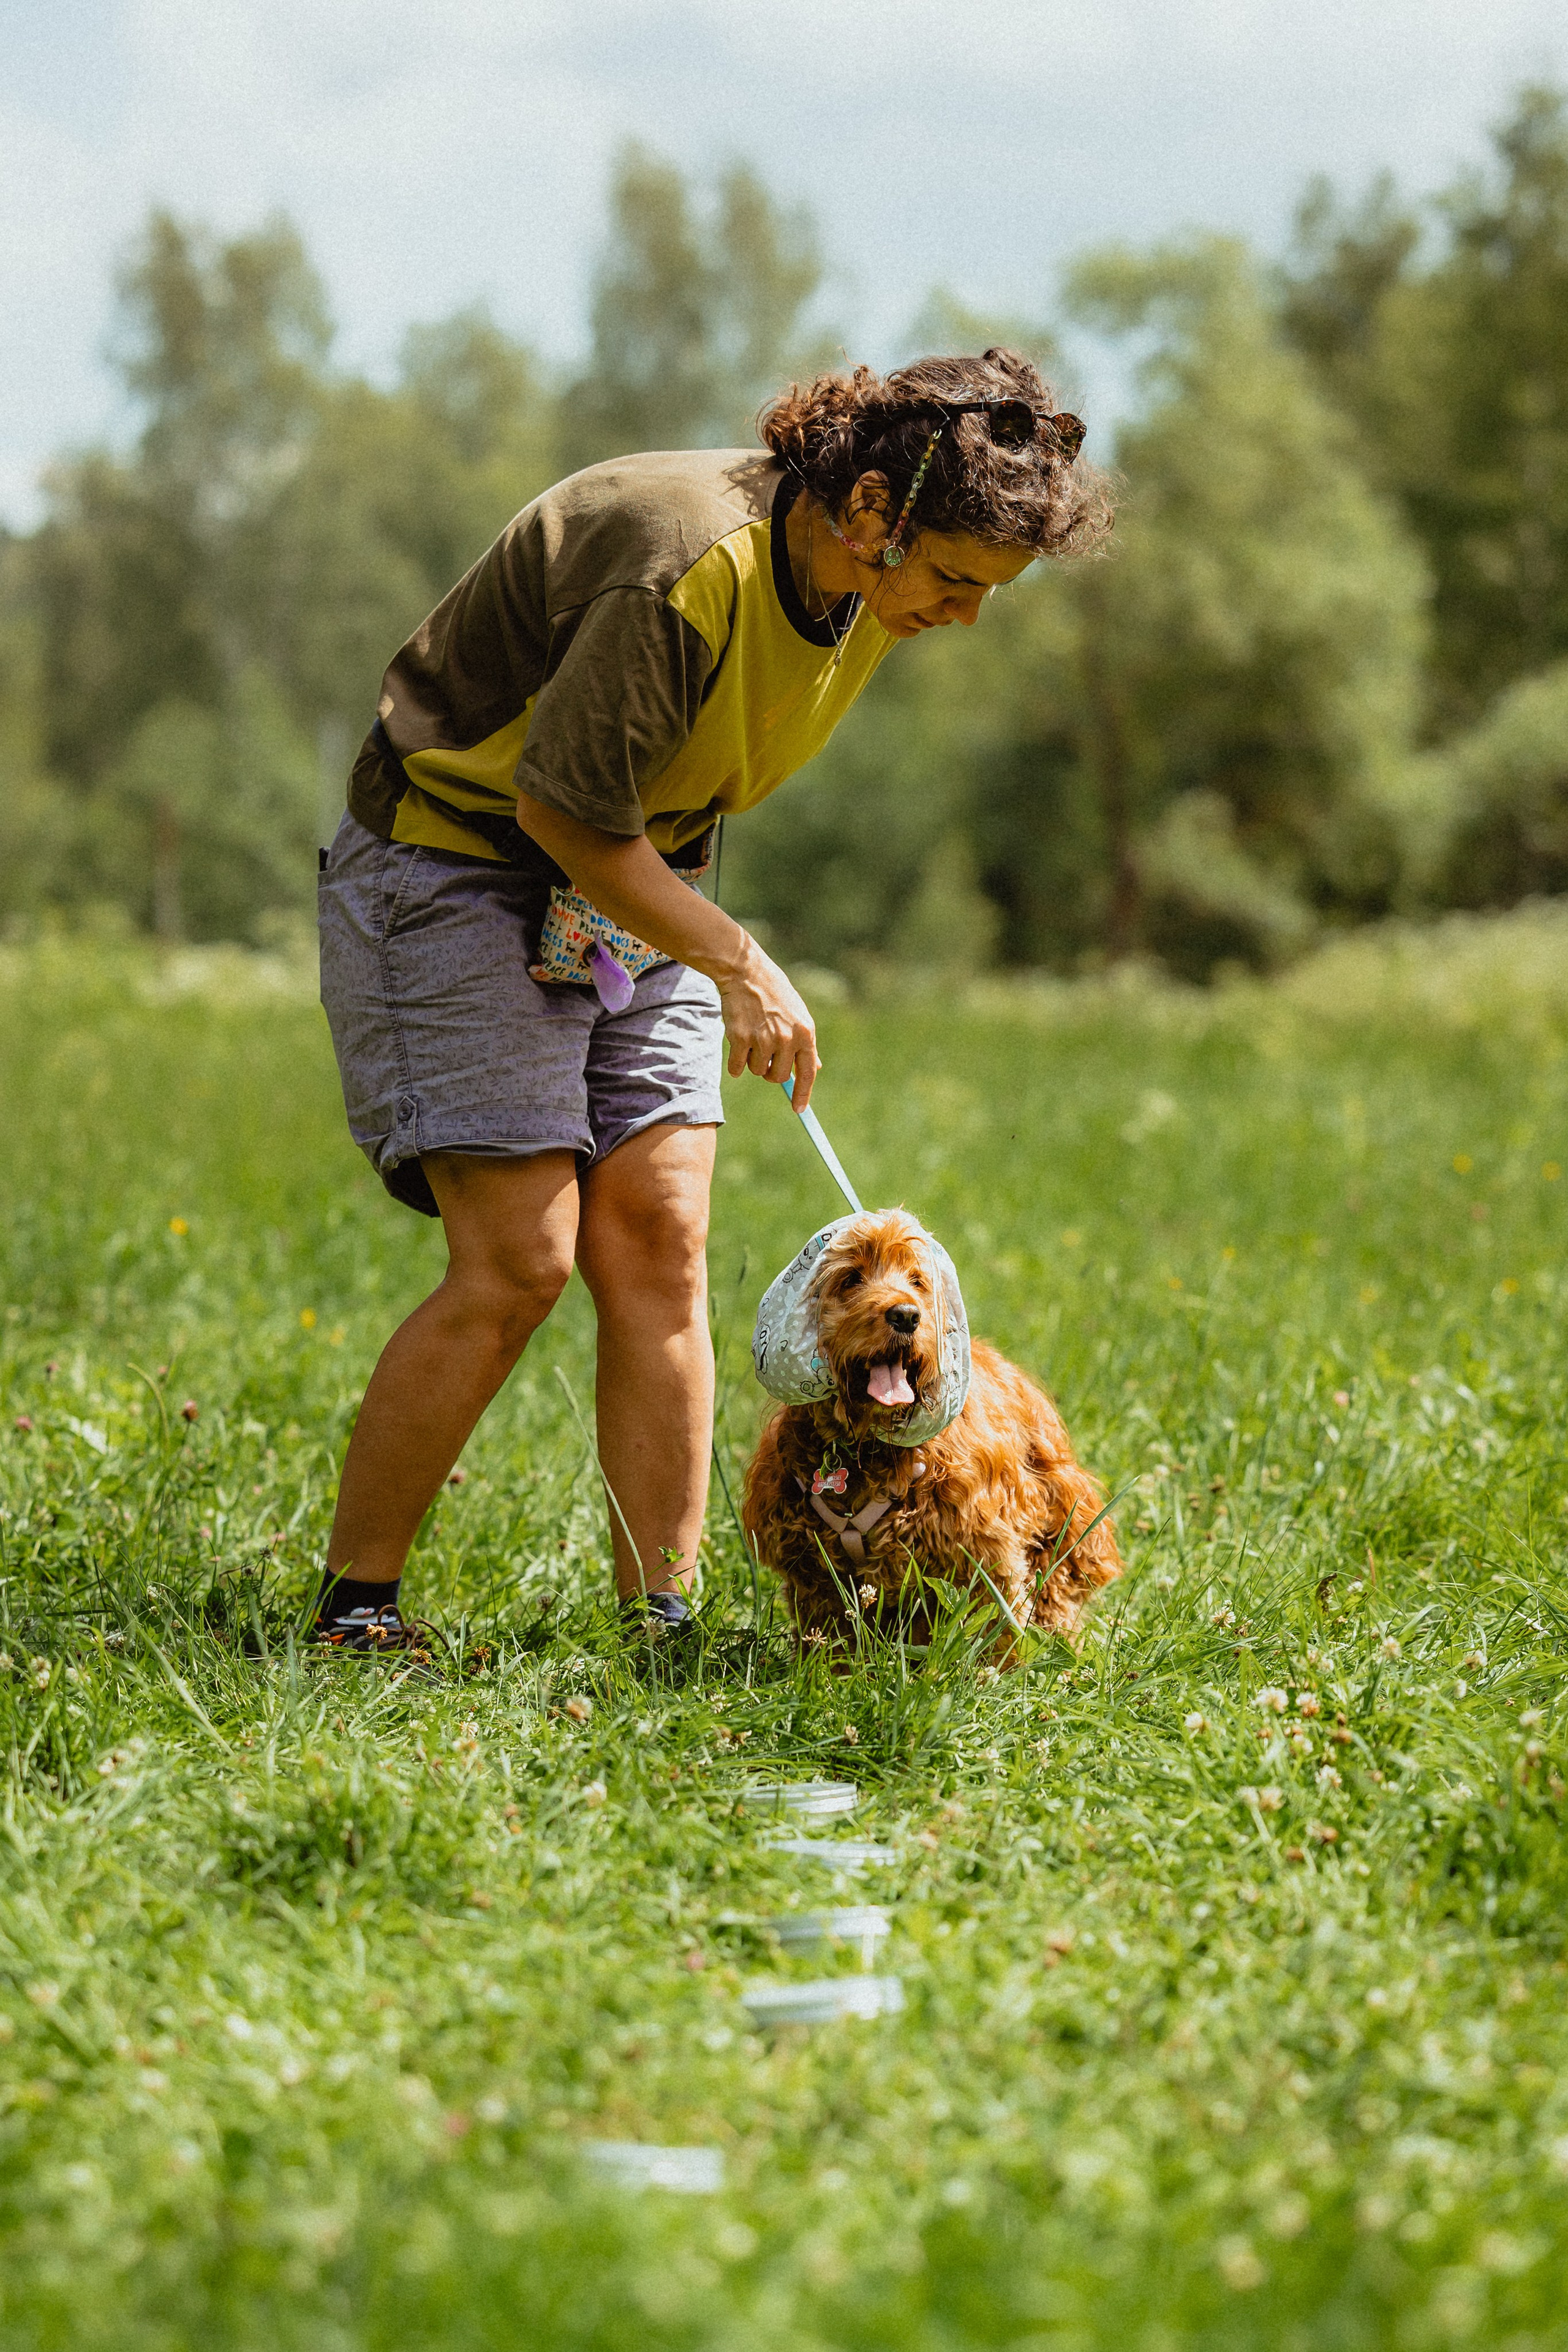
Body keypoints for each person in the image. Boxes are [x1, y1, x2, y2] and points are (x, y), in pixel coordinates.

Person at [313, 349, 1112, 1651]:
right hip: (453, 860)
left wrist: (700, 932)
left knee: (660, 1240)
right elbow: (560, 808)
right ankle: (357, 1609)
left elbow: (654, 798)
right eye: (955, 582)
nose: (962, 617)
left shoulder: (861, 589)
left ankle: (660, 1623)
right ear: (868, 514)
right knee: (519, 1258)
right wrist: (738, 962)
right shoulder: (683, 566)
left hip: (636, 877)